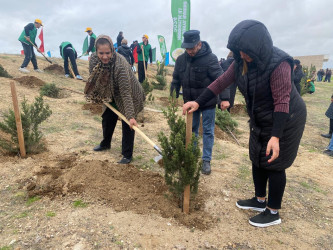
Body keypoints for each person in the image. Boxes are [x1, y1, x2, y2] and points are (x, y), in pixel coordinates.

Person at [183, 20, 307, 227]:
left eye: (245, 51)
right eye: (238, 51)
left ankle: (273, 211)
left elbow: (282, 102)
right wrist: (198, 101)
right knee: (257, 155)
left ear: (258, 48)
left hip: (286, 117)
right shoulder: (242, 61)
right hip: (261, 115)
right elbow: (221, 82)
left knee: (275, 163)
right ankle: (259, 200)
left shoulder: (279, 64)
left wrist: (276, 136)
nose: (241, 55)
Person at [170, 30, 230, 175]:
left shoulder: (210, 58)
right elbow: (176, 79)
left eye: (192, 48)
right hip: (191, 102)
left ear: (199, 45)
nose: (189, 51)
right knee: (192, 130)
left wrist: (225, 98)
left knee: (208, 131)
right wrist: (173, 97)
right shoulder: (181, 60)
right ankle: (192, 156)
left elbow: (221, 79)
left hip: (208, 101)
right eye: (187, 48)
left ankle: (206, 160)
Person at [84, 35, 145, 164]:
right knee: (107, 117)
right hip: (111, 92)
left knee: (127, 122)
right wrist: (98, 93)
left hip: (131, 94)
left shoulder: (120, 65)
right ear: (96, 51)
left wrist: (131, 116)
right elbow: (94, 77)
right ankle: (105, 143)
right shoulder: (94, 59)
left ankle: (127, 155)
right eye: (101, 53)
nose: (105, 56)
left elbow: (125, 93)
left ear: (112, 50)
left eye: (108, 53)